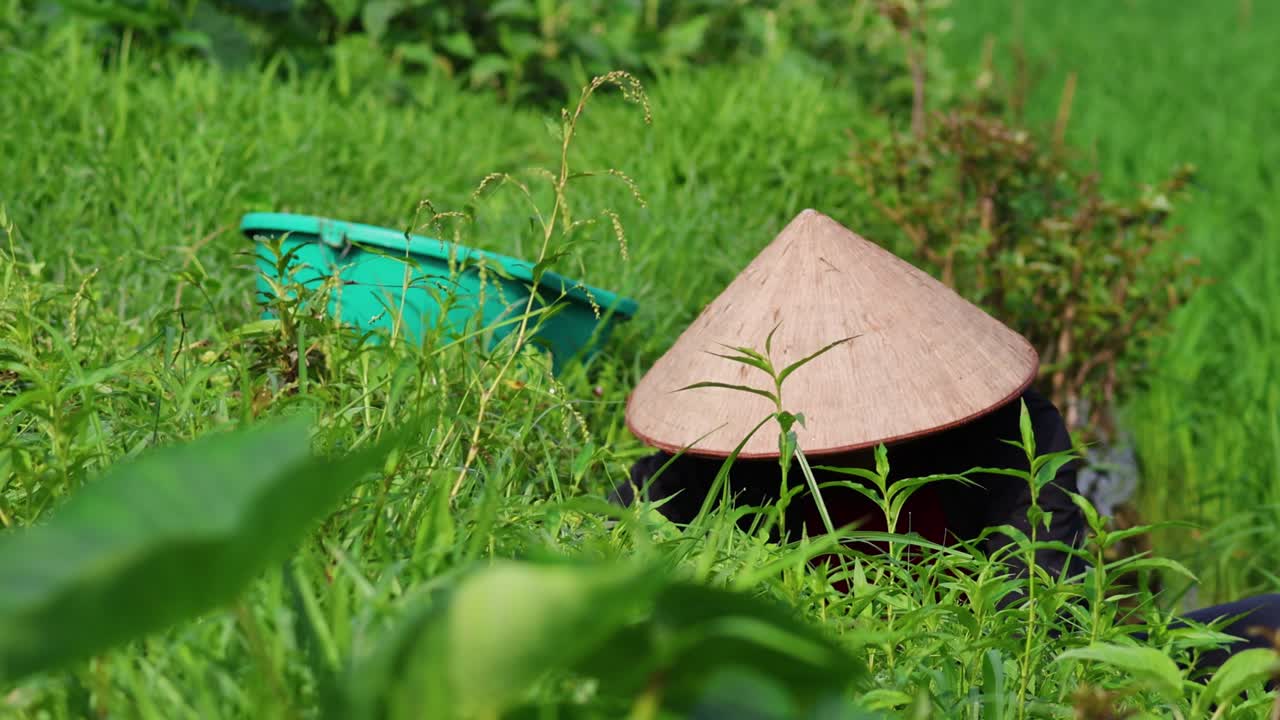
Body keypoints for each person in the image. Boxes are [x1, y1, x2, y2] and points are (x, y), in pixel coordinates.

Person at [609, 209, 1279, 673]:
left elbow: (1038, 585)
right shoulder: (721, 462)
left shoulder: (1010, 429)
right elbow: (618, 539)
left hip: (971, 667)